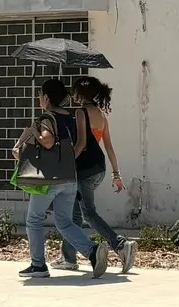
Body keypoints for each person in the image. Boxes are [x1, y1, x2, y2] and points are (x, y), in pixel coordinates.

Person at [11, 78, 108, 280]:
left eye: (40, 95)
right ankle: (92, 251)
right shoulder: (71, 117)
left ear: (46, 97)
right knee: (64, 222)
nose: (39, 98)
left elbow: (47, 141)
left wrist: (36, 129)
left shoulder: (47, 118)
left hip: (50, 179)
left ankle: (38, 265)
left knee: (34, 219)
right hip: (69, 177)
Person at [50, 75, 139, 275]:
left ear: (80, 94)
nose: (72, 94)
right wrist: (116, 174)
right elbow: (109, 147)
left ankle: (120, 244)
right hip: (99, 168)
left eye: (74, 91)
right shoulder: (100, 114)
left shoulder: (81, 113)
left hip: (83, 169)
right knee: (74, 214)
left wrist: (63, 163)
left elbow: (80, 144)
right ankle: (68, 258)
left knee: (87, 214)